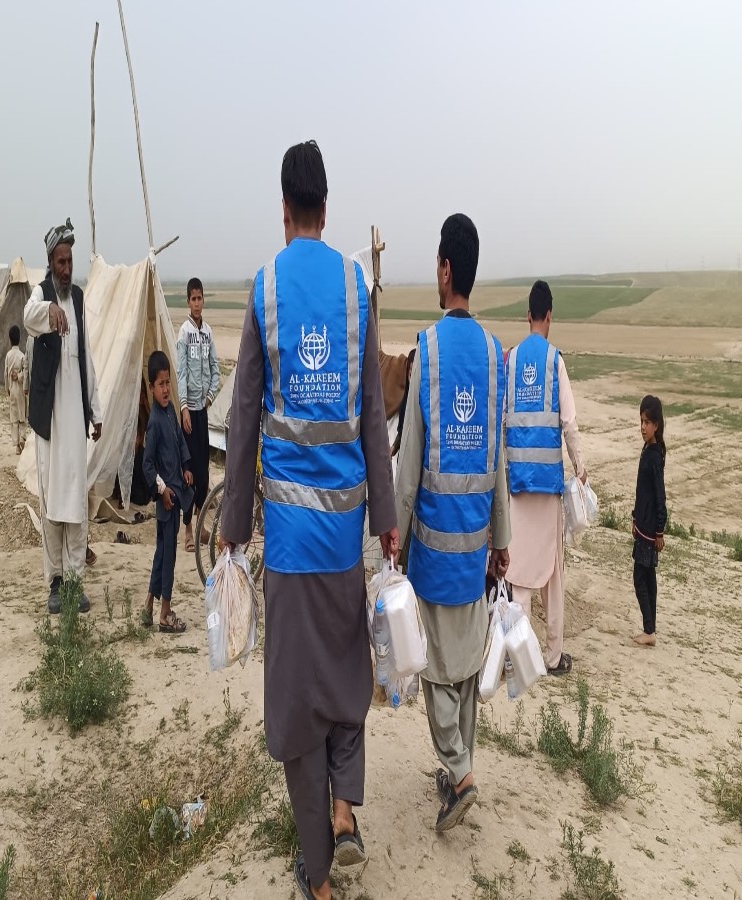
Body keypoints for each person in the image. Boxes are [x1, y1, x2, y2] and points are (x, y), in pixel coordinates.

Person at [220, 140, 399, 900]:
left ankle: (318, 873)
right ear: (325, 207)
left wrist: (233, 523)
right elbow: (371, 420)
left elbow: (245, 415)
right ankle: (346, 811)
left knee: (298, 703)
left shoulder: (264, 290)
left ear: (285, 208)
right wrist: (386, 518)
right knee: (349, 679)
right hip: (346, 540)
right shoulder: (358, 290)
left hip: (290, 544)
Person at [395, 213, 510, 834]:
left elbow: (410, 453)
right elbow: (499, 460)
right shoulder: (495, 355)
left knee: (437, 668)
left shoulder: (429, 349)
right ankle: (458, 770)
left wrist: (394, 528)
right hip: (476, 548)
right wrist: (503, 541)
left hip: (435, 545)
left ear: (445, 269)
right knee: (463, 667)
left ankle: (460, 774)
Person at [504, 280, 587, 676]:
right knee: (553, 571)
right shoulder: (555, 361)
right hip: (549, 486)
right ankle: (552, 657)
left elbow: (503, 419)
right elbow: (568, 422)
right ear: (549, 316)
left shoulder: (513, 359)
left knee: (518, 569)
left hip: (518, 484)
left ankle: (516, 654)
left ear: (528, 315)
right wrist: (580, 465)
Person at [24, 218, 102, 614]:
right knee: (53, 502)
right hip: (49, 423)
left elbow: (84, 355)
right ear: (50, 262)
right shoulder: (40, 296)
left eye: (70, 261)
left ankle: (74, 581)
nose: (66, 268)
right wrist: (50, 308)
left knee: (75, 501)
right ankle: (54, 581)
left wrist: (97, 410)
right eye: (60, 261)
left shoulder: (81, 299)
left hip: (76, 423)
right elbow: (28, 315)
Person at [141, 351, 193, 633]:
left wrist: (186, 465)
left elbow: (181, 441)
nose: (164, 389)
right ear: (151, 387)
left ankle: (149, 605)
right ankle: (165, 613)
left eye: (167, 383)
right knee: (168, 556)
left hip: (176, 492)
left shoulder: (171, 411)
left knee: (162, 553)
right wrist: (161, 489)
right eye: (159, 384)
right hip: (167, 502)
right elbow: (147, 465)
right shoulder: (153, 423)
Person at [176, 277, 220, 552]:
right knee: (188, 470)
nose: (196, 303)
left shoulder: (208, 333)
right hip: (188, 412)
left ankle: (201, 523)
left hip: (202, 411)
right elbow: (181, 372)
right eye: (192, 299)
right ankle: (188, 531)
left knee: (203, 472)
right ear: (188, 301)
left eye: (199, 298)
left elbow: (215, 367)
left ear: (203, 300)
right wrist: (183, 407)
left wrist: (209, 397)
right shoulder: (184, 333)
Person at [631, 395, 667, 646]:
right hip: (642, 524)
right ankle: (651, 627)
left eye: (647, 422)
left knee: (640, 579)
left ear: (657, 424)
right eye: (641, 421)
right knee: (649, 577)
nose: (643, 427)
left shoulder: (654, 456)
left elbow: (659, 495)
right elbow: (641, 491)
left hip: (649, 529)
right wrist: (635, 517)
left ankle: (649, 631)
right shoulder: (650, 450)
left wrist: (659, 531)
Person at [4, 325, 28, 454]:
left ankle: (17, 445)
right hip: (20, 388)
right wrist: (19, 377)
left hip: (12, 390)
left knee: (13, 417)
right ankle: (23, 437)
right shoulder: (21, 355)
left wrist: (7, 387)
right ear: (19, 339)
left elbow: (6, 373)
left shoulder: (8, 355)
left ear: (10, 339)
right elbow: (25, 372)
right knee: (22, 414)